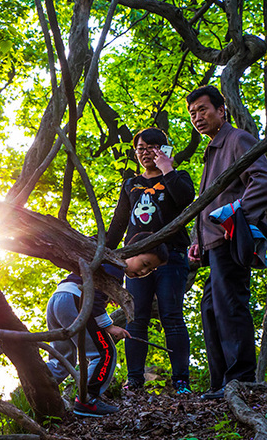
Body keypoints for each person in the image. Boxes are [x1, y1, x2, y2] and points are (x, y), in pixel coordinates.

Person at [187, 85, 267, 399]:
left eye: (203, 109)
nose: (197, 117)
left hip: (231, 239)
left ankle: (241, 380)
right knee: (211, 309)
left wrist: (240, 218)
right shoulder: (212, 150)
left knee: (231, 307)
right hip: (212, 245)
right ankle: (221, 383)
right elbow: (206, 201)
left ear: (222, 110)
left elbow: (262, 178)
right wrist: (197, 239)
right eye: (193, 113)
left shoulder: (237, 139)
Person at [106, 128, 195, 394]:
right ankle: (135, 379)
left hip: (172, 256)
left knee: (172, 316)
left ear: (163, 149)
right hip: (135, 262)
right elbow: (118, 224)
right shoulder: (130, 184)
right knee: (136, 318)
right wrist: (104, 256)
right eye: (140, 149)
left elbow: (186, 200)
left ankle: (181, 380)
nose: (145, 153)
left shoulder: (177, 178)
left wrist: (167, 168)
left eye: (151, 147)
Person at [45, 233, 168, 417]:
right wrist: (109, 326)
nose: (144, 272)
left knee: (63, 358)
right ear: (133, 251)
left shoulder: (105, 261)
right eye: (144, 264)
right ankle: (88, 401)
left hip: (59, 297)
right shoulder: (116, 266)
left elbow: (96, 288)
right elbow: (93, 297)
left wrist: (108, 296)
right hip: (75, 300)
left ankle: (37, 384)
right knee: (104, 352)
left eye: (150, 270)